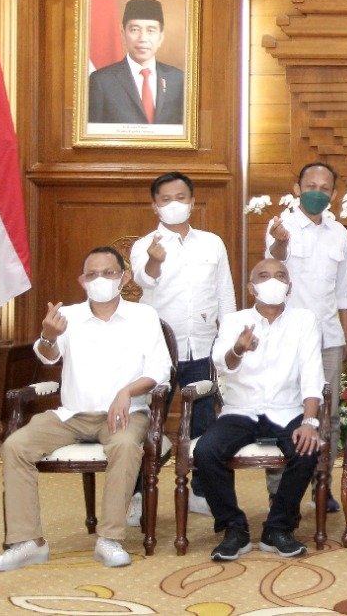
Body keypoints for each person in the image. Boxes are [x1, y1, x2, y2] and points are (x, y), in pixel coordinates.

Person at [0, 247, 171, 572]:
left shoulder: (144, 316)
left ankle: (109, 539)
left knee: (125, 446)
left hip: (125, 414)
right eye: (92, 274)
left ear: (124, 278)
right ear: (82, 281)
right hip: (71, 415)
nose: (100, 280)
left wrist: (127, 391)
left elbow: (160, 370)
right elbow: (48, 357)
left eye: (109, 273)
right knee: (15, 446)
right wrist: (48, 336)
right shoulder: (68, 317)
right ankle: (28, 542)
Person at [195, 259, 326, 561]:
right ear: (251, 287)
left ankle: (278, 528)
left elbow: (312, 376)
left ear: (289, 286)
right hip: (241, 410)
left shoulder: (304, 320)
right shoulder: (234, 320)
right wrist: (238, 349)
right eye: (264, 276)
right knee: (206, 451)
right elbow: (221, 363)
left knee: (307, 449)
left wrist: (309, 421)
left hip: (287, 408)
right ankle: (234, 529)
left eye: (280, 276)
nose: (273, 281)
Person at [131, 171, 236, 518]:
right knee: (147, 422)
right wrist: (155, 260)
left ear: (192, 202)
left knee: (204, 424)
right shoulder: (144, 245)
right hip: (158, 350)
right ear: (154, 205)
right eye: (166, 199)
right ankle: (135, 495)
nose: (174, 204)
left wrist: (228, 338)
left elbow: (225, 294)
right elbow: (144, 279)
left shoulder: (212, 243)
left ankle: (202, 492)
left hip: (202, 347)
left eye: (180, 198)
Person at [267, 161, 347, 512]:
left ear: (334, 193)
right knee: (285, 411)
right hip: (288, 338)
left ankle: (322, 486)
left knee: (327, 416)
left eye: (324, 188)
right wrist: (280, 242)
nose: (317, 192)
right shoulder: (281, 225)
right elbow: (274, 263)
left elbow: (344, 289)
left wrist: (346, 335)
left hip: (329, 337)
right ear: (297, 188)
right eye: (310, 186)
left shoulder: (339, 232)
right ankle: (278, 491)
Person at [88, 0, 185, 125]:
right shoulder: (101, 81)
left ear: (161, 37)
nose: (143, 38)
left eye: (151, 30)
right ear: (123, 35)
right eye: (135, 30)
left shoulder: (178, 79)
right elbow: (92, 131)